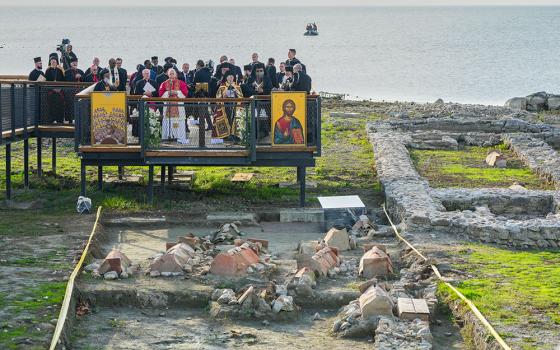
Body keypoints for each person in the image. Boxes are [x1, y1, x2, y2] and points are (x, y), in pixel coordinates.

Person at [158, 68, 189, 144]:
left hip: (178, 108)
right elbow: (161, 94)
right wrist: (168, 93)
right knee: (168, 122)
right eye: (170, 74)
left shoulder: (181, 83)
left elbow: (185, 94)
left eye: (173, 73)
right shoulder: (164, 83)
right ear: (168, 75)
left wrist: (177, 92)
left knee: (179, 123)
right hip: (168, 108)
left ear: (176, 74)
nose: (172, 75)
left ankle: (179, 137)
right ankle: (167, 137)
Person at [215, 70, 244, 141]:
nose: (230, 78)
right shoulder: (222, 86)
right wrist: (223, 96)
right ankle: (226, 135)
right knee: (227, 119)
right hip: (225, 106)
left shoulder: (237, 86)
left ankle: (235, 135)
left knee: (234, 118)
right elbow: (217, 97)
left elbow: (241, 96)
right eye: (229, 77)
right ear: (226, 78)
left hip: (235, 106)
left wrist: (236, 94)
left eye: (232, 76)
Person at [193, 59, 213, 130]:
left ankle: (204, 125)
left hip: (200, 93)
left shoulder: (198, 72)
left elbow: (195, 83)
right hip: (207, 93)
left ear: (198, 65)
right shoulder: (208, 72)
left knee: (203, 110)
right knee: (205, 109)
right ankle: (209, 125)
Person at [45, 54, 66, 123]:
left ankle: (59, 120)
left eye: (54, 62)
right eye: (52, 62)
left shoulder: (60, 70)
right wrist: (53, 89)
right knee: (51, 106)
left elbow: (63, 80)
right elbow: (46, 81)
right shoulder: (47, 71)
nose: (53, 63)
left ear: (57, 62)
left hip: (59, 91)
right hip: (51, 91)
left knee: (60, 106)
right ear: (50, 63)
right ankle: (51, 119)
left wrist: (59, 88)